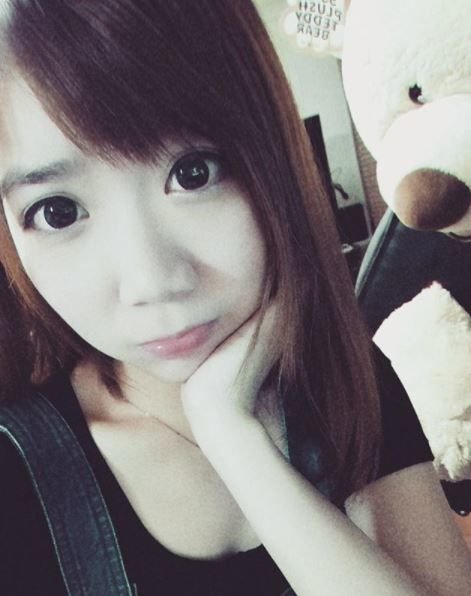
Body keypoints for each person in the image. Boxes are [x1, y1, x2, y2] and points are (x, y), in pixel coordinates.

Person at [0, 1, 469, 594]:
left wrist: (232, 435)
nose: (152, 281)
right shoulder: (16, 477)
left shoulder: (347, 382)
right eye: (57, 212)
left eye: (193, 173)